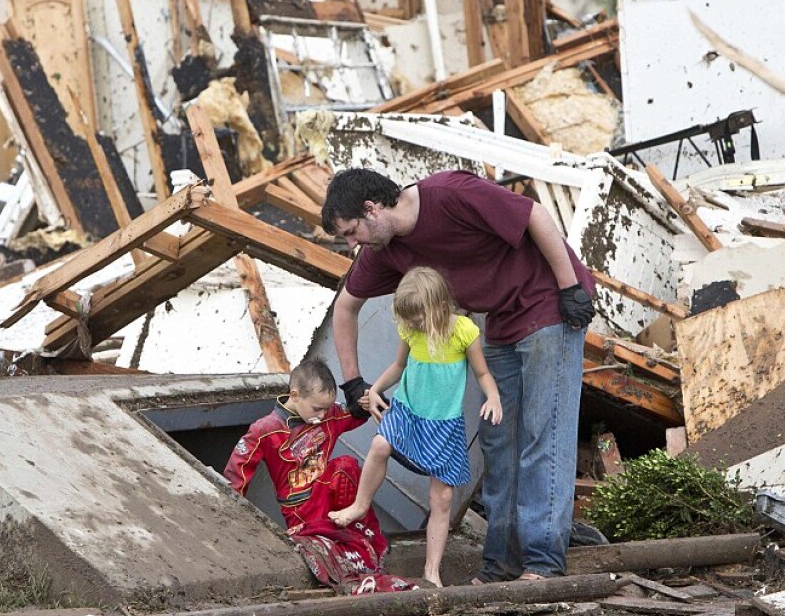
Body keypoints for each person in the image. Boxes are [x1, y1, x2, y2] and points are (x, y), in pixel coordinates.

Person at [321, 168, 597, 583]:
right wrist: (353, 383)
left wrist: (569, 288)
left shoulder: (450, 194)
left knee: (544, 432)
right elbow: (346, 307)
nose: (352, 243)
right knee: (498, 439)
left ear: (371, 209)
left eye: (351, 231)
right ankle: (501, 563)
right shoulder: (385, 251)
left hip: (548, 305)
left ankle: (543, 563)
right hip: (501, 320)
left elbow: (535, 215)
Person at [329, 267, 503, 588]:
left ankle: (431, 570)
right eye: (407, 320)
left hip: (444, 425)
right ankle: (360, 503)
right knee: (380, 445)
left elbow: (482, 374)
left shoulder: (464, 331)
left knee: (443, 497)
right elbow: (398, 367)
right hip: (409, 411)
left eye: (416, 318)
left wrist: (492, 397)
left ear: (438, 306)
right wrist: (375, 390)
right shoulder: (411, 331)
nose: (411, 325)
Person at [223, 359, 416, 595]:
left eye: (326, 409)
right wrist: (232, 509)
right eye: (316, 409)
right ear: (294, 395)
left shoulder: (328, 415)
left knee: (346, 465)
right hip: (299, 506)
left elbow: (350, 415)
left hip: (330, 498)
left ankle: (354, 533)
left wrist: (364, 404)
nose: (322, 415)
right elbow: (239, 467)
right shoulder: (265, 429)